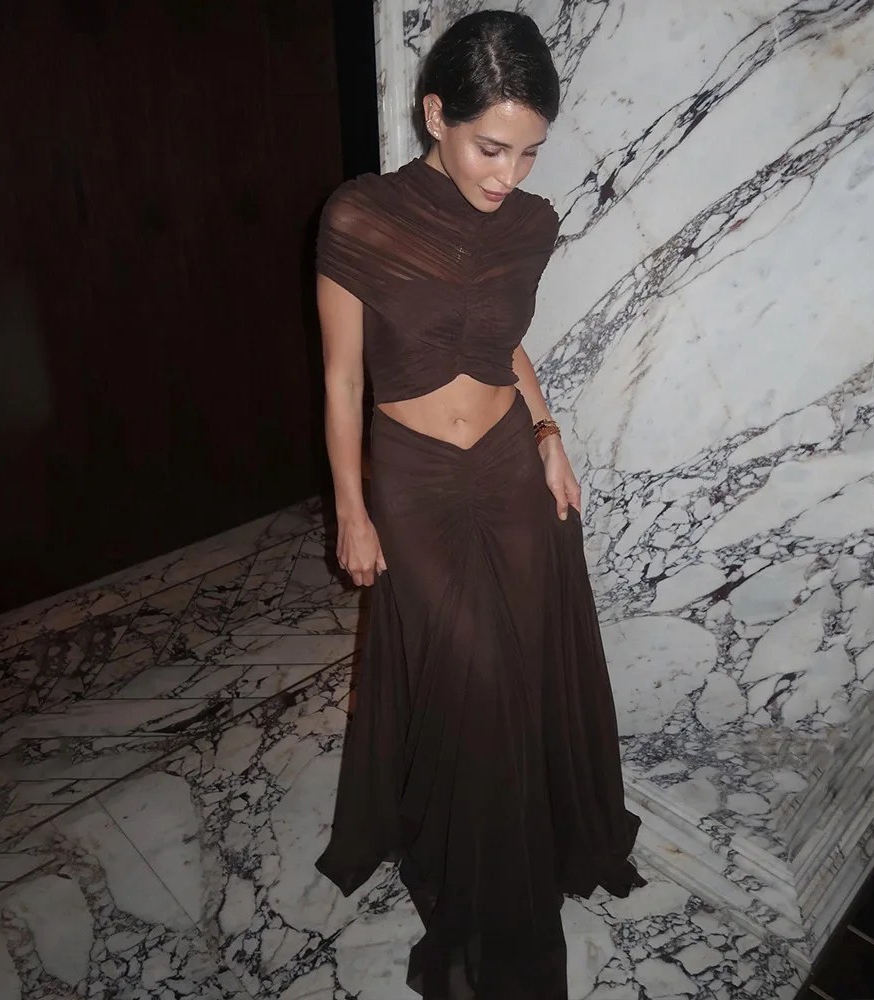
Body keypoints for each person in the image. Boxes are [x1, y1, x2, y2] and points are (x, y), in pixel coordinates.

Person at [314, 10, 645, 998]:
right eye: (490, 147)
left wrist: (548, 435)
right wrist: (351, 509)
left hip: (507, 467)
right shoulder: (359, 217)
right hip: (413, 481)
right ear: (435, 116)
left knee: (521, 668)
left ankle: (530, 841)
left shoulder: (533, 224)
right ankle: (502, 930)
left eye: (529, 150)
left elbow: (501, 346)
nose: (509, 173)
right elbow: (341, 379)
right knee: (476, 679)